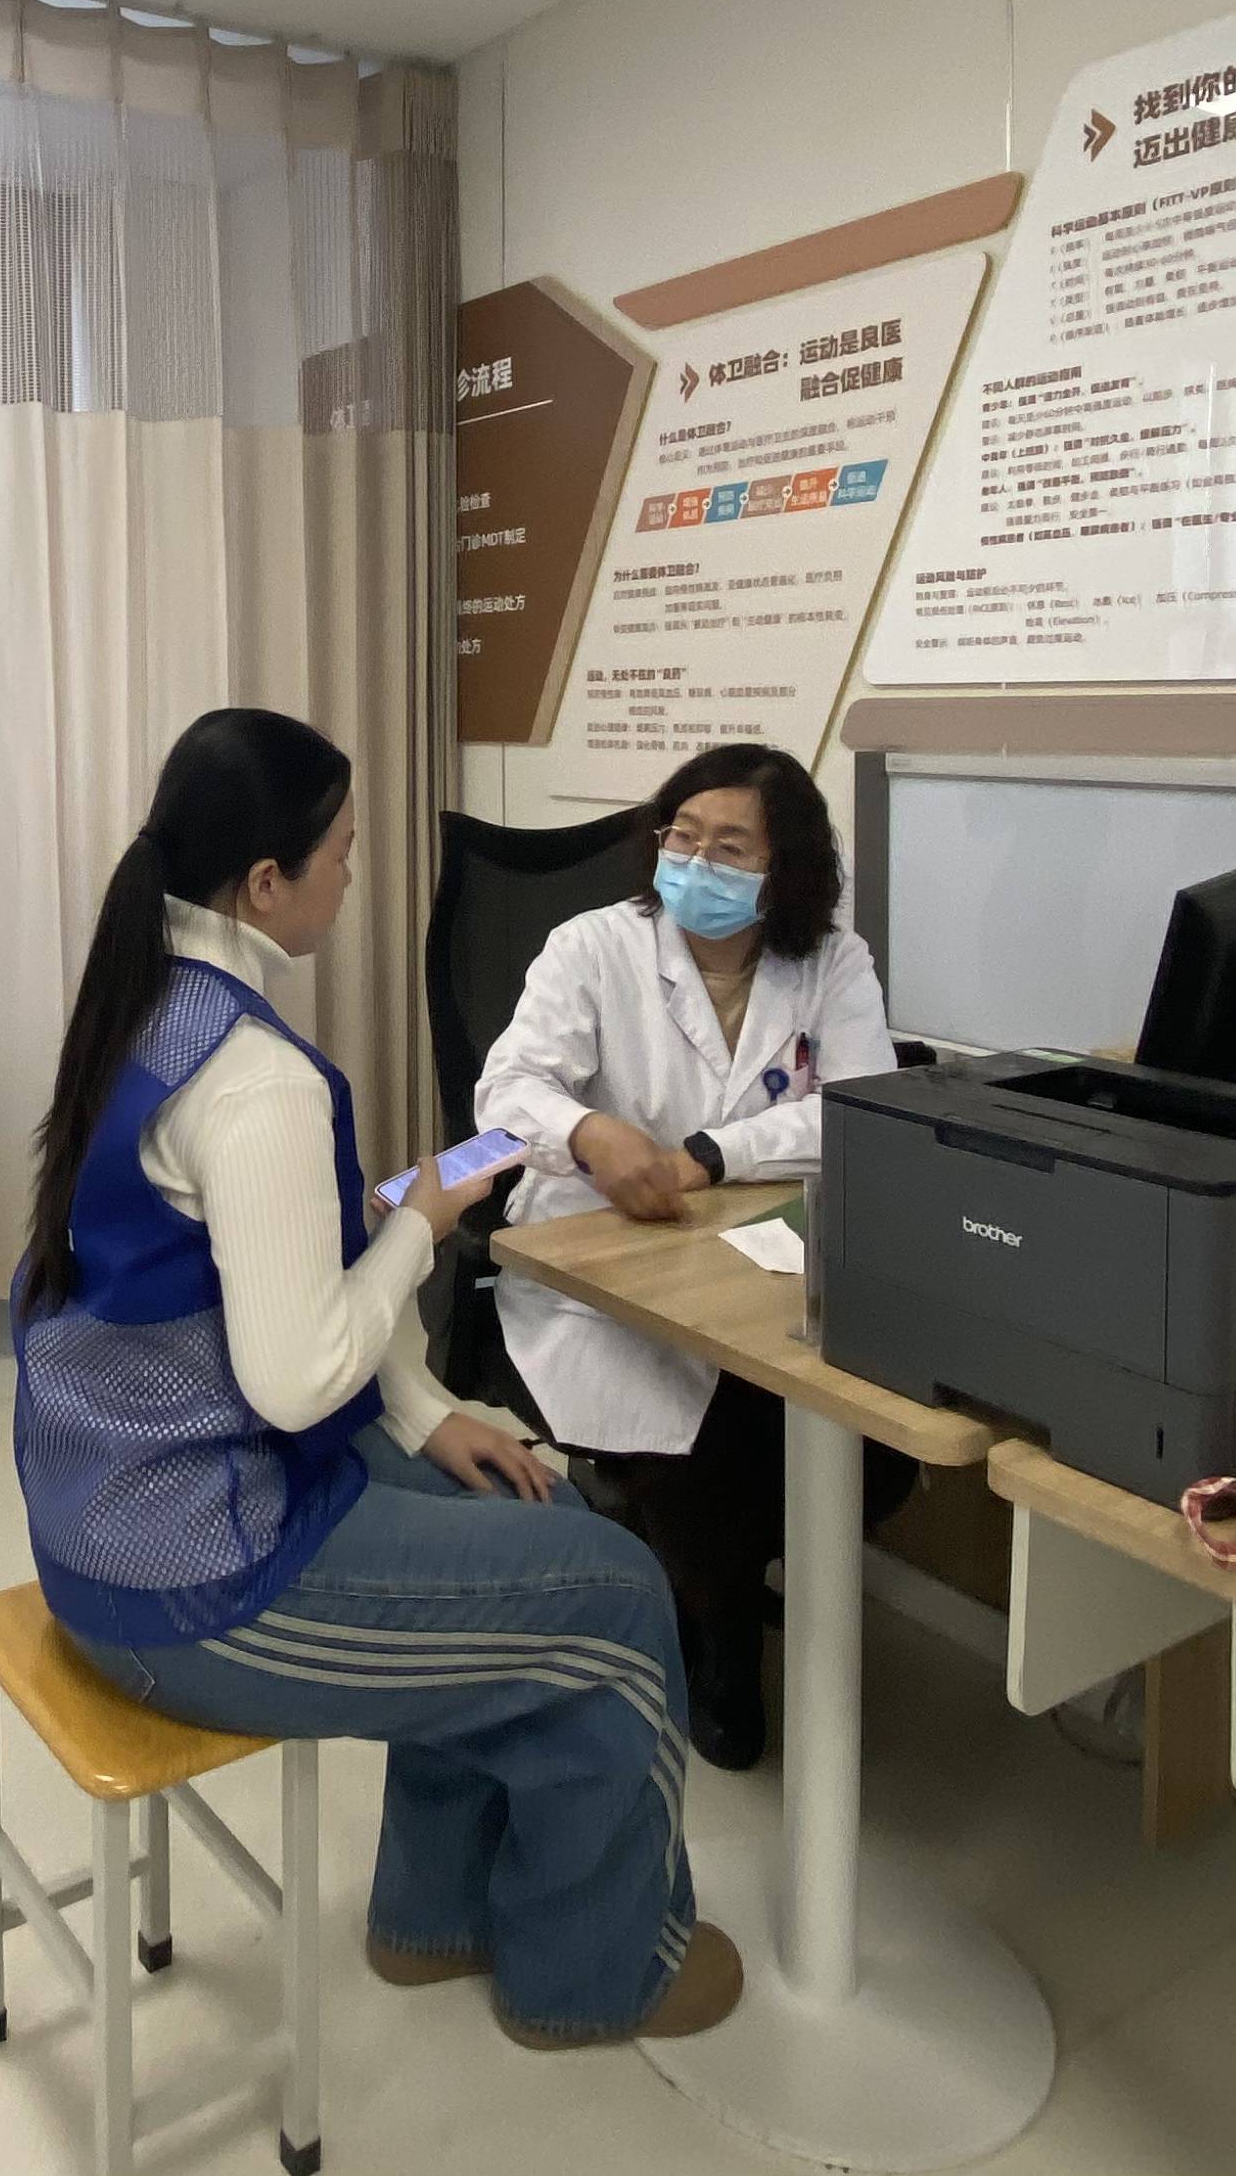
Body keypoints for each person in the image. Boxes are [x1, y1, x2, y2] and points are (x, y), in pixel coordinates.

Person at [13, 707, 741, 2049]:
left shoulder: (146, 1000)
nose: (355, 874)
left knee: (514, 1505)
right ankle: (594, 1976)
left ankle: (432, 1914)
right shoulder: (257, 1081)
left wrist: (430, 1407)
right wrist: (424, 1222)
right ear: (266, 882)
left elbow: (282, 1262)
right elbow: (298, 1377)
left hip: (111, 1503)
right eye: (342, 851)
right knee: (618, 1593)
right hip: (190, 1577)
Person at [475, 743, 913, 1773]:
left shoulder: (830, 963)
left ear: (783, 870)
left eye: (727, 847)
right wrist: (589, 1132)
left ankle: (712, 1578)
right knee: (706, 1447)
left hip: (752, 1251)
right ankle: (713, 1630)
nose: (694, 862)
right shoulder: (593, 947)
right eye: (680, 836)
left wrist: (715, 1153)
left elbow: (858, 1110)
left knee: (866, 1438)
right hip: (597, 1258)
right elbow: (506, 1092)